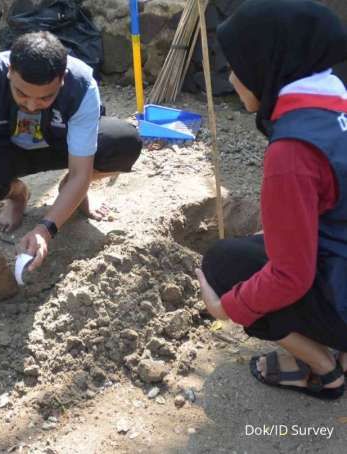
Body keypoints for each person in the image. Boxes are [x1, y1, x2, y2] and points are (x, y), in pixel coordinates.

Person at [196, 0, 347, 400]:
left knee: (225, 264)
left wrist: (228, 306)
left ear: (268, 64)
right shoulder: (338, 107)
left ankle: (322, 368)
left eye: (238, 66)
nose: (232, 78)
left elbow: (290, 277)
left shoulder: (293, 150)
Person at [0, 31, 142, 271]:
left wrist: (45, 229)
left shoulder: (81, 84)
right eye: (22, 94)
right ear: (10, 70)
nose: (32, 105)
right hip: (3, 150)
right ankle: (16, 194)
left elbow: (80, 171)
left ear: (62, 79)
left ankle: (73, 191)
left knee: (124, 143)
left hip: (61, 147)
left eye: (46, 97)